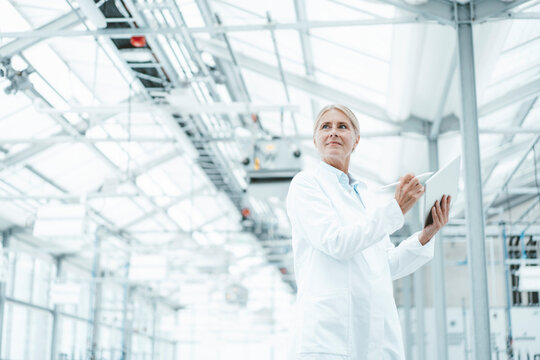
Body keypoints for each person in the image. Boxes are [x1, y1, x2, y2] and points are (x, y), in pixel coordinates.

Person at [286, 104, 451, 360]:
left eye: (342, 126)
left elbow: (386, 265)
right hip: (330, 335)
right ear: (316, 140)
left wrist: (426, 234)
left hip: (375, 337)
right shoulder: (306, 185)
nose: (333, 133)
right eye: (325, 127)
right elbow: (336, 242)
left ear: (356, 140)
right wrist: (395, 210)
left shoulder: (368, 196)